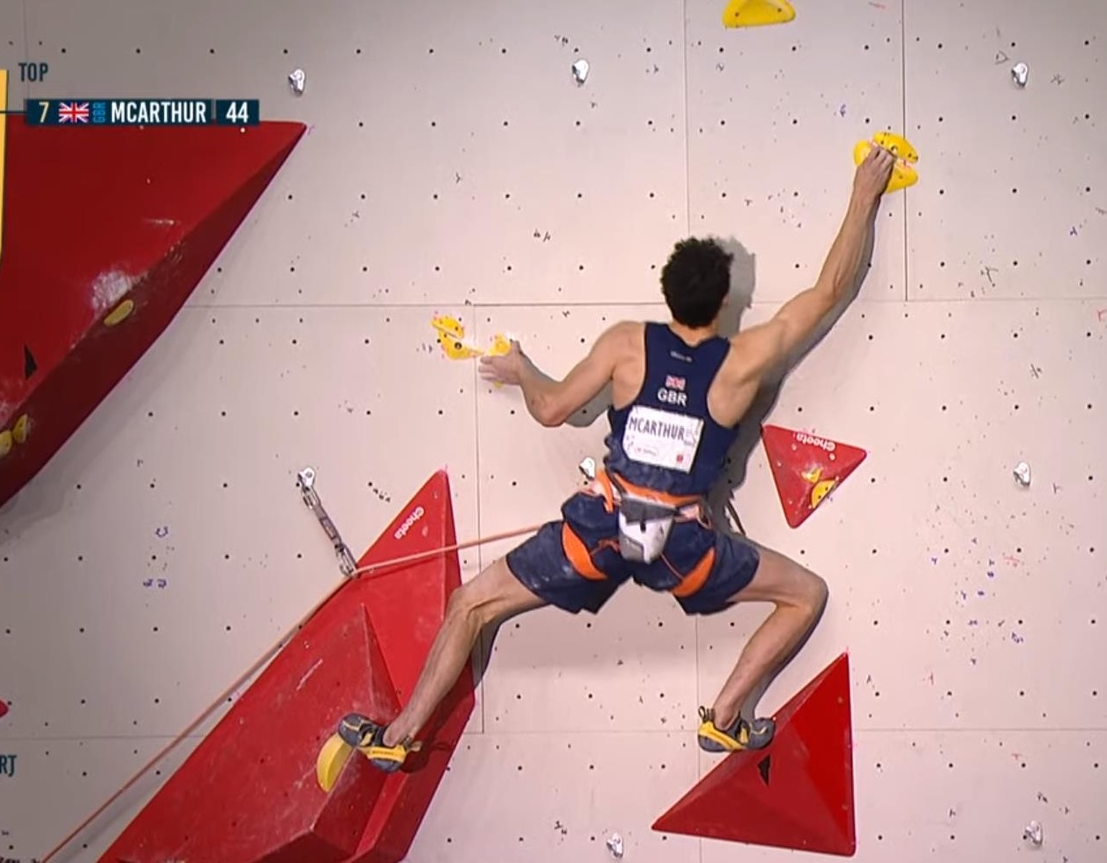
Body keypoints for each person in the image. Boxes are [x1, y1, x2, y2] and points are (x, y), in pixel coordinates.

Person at [338, 144, 897, 771]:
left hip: (601, 530)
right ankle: (725, 718)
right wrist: (864, 192)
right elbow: (827, 291)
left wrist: (523, 369)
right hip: (683, 549)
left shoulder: (627, 345)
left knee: (470, 602)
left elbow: (551, 409)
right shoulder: (742, 362)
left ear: (667, 295)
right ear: (721, 305)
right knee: (806, 595)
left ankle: (401, 732)